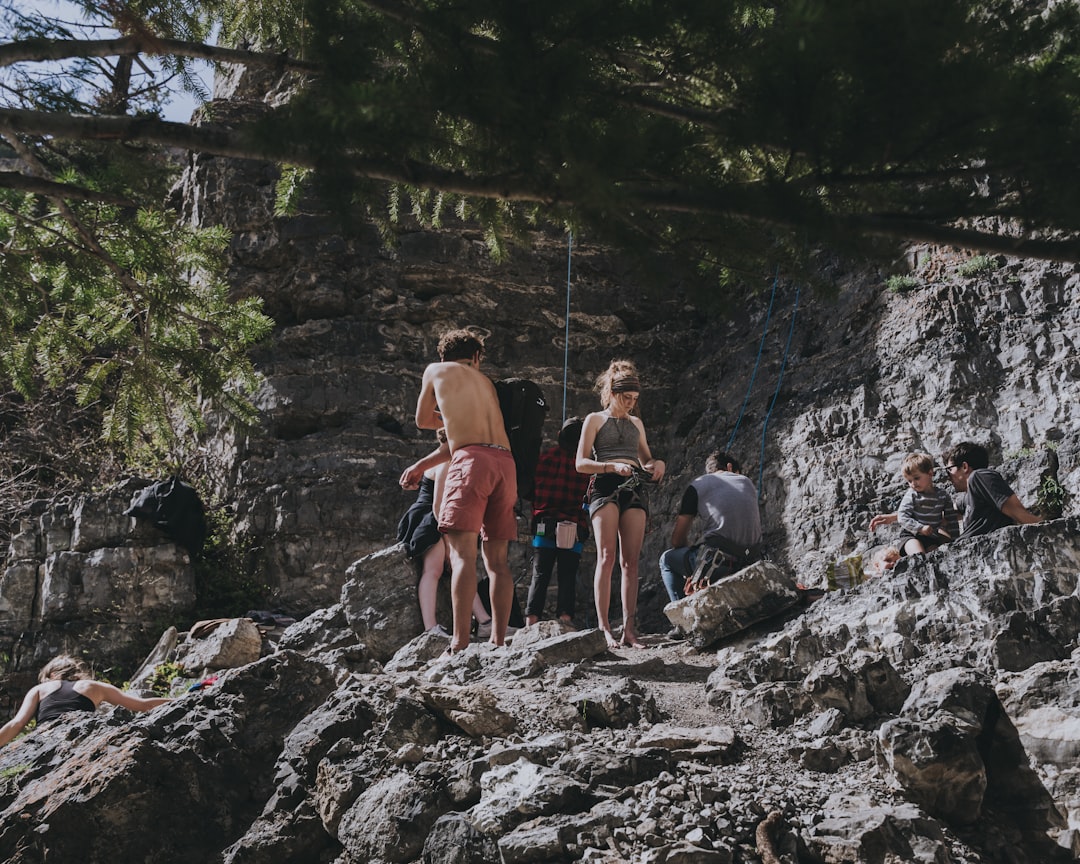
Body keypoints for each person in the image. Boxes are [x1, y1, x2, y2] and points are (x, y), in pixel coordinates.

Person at [408, 328, 518, 653]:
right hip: (505, 462)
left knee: (461, 557)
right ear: (477, 357)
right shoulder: (486, 383)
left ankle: (459, 643)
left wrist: (448, 419)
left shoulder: (435, 370)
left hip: (471, 461)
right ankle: (498, 640)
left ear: (443, 356)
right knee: (498, 563)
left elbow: (421, 419)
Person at [576, 359, 665, 649]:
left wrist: (656, 463)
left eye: (635, 399)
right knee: (606, 555)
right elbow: (581, 463)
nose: (630, 404)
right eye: (626, 398)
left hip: (634, 486)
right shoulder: (594, 420)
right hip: (605, 484)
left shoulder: (636, 423)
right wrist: (611, 467)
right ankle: (604, 628)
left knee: (631, 561)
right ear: (613, 393)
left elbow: (646, 459)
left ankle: (629, 628)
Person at [397, 429, 494, 639]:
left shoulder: (446, 458)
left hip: (441, 518)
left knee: (459, 567)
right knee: (433, 569)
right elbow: (438, 504)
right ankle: (431, 628)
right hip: (431, 518)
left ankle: (484, 621)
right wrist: (447, 535)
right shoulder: (446, 462)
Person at [0, 655, 170, 748]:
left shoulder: (40, 689)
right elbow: (143, 705)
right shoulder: (94, 686)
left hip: (45, 739)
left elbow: (17, 723)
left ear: (52, 674)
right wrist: (182, 700)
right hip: (80, 736)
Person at [658, 450, 762, 604]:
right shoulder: (747, 481)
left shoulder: (698, 485)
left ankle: (683, 615)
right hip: (752, 557)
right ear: (729, 467)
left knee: (666, 560)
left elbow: (677, 541)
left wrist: (690, 569)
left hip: (719, 563)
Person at [525, 417, 591, 627]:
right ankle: (565, 619)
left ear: (559, 437)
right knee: (568, 574)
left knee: (540, 573)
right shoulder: (586, 467)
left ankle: (531, 620)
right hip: (575, 526)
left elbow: (529, 490)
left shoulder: (544, 459)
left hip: (546, 524)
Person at [942, 441, 1041, 537]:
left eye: (949, 470)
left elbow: (1017, 512)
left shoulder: (979, 477)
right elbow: (945, 514)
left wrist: (1049, 528)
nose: (948, 477)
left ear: (964, 466)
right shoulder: (967, 497)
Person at [869, 453, 960, 557]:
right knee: (919, 556)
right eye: (909, 481)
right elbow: (902, 517)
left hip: (931, 537)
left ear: (930, 473)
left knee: (938, 557)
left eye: (916, 478)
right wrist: (920, 528)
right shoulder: (912, 494)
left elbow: (951, 518)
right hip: (911, 535)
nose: (913, 484)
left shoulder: (942, 495)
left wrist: (956, 539)